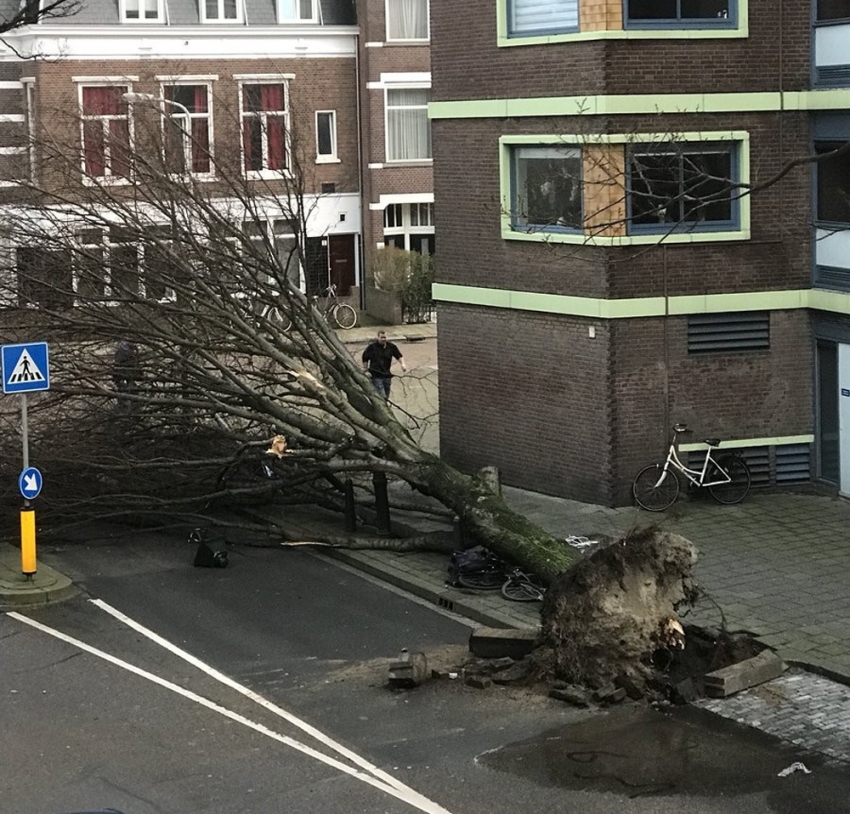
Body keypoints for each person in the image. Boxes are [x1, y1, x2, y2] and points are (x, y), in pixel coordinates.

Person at [362, 330, 406, 400]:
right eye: (381, 337)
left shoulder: (391, 347)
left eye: (384, 337)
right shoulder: (372, 347)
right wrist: (366, 369)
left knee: (386, 395)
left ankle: (383, 407)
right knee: (382, 395)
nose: (383, 339)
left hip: (387, 375)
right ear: (378, 337)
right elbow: (365, 358)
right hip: (376, 375)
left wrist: (403, 364)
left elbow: (399, 356)